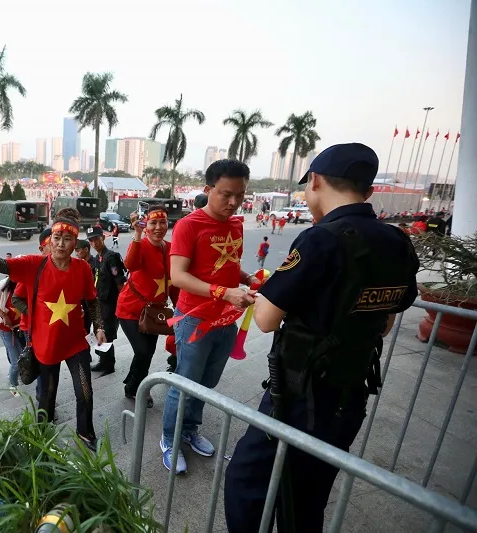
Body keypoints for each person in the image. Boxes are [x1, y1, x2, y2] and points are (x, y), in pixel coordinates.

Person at [224, 143, 420, 533]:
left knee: (247, 480)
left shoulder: (321, 239)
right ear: (367, 191)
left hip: (299, 395)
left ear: (314, 181)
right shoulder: (396, 241)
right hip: (351, 391)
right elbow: (388, 315)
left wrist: (269, 294)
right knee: (308, 496)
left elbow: (264, 319)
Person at [0, 208, 106, 451]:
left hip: (75, 343)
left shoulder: (83, 268)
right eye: (57, 238)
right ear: (50, 240)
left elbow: (92, 300)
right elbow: (0, 264)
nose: (61, 244)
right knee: (47, 396)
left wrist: (99, 327)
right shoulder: (35, 265)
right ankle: (41, 437)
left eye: (67, 239)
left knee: (85, 391)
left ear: (75, 243)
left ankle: (85, 432)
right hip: (46, 346)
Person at [162, 159, 258, 474]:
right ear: (207, 189)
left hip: (227, 319)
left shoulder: (236, 224)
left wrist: (247, 279)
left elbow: (225, 264)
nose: (233, 202)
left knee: (207, 382)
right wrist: (223, 292)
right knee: (186, 382)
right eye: (225, 194)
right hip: (194, 318)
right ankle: (169, 439)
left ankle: (189, 430)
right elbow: (178, 276)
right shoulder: (189, 225)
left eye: (240, 196)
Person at [117, 206, 180, 408]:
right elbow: (130, 264)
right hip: (130, 309)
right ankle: (136, 388)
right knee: (143, 351)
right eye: (153, 223)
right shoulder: (141, 244)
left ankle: (133, 385)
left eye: (163, 222)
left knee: (147, 352)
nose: (158, 227)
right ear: (146, 226)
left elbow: (175, 283)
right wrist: (136, 234)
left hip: (154, 312)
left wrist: (180, 311)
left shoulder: (171, 248)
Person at [86, 224, 127, 376]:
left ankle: (109, 364)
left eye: (96, 239)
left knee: (108, 333)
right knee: (99, 330)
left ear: (103, 238)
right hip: (100, 302)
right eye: (91, 241)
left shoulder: (111, 258)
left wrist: (122, 306)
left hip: (111, 303)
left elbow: (120, 283)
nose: (94, 243)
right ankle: (103, 361)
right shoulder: (98, 258)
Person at [0, 275, 24, 395]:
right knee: (16, 362)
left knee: (23, 355)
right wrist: (4, 315)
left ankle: (17, 374)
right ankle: (13, 385)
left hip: (23, 328)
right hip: (6, 329)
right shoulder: (4, 285)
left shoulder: (28, 282)